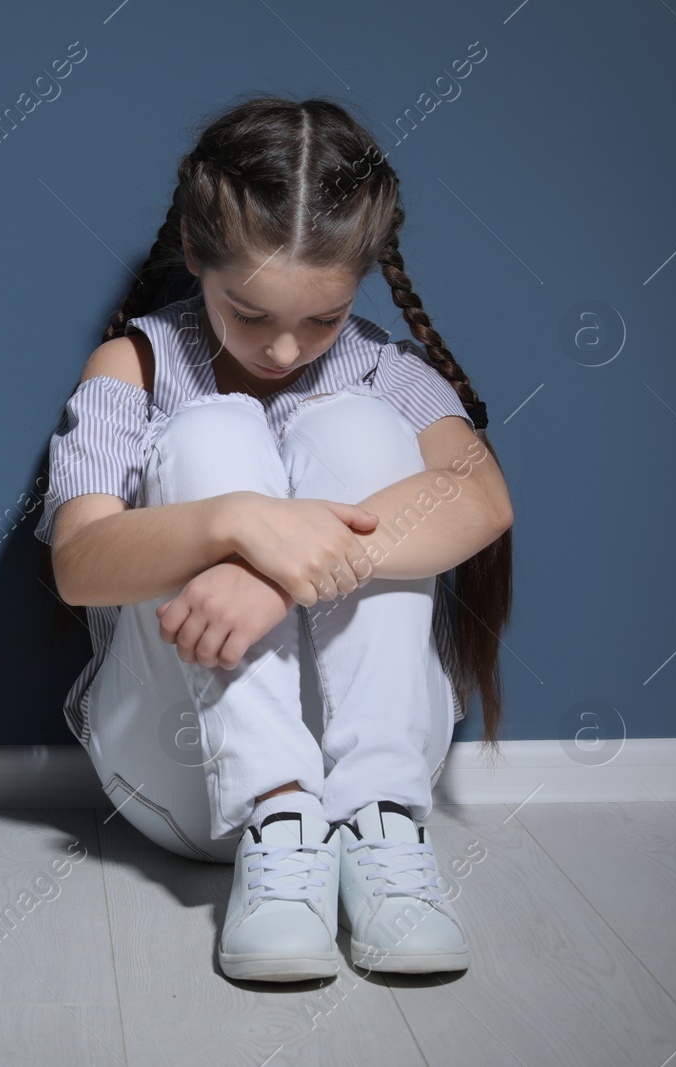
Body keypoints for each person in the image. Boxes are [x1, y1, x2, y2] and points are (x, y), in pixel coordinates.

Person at [33, 96, 515, 983]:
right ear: (194, 256)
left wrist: (280, 577)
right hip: (184, 775)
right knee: (211, 434)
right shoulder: (136, 363)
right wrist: (235, 525)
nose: (284, 349)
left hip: (369, 767)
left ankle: (379, 825)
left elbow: (482, 500)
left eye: (322, 318)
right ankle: (277, 813)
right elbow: (79, 562)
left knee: (359, 430)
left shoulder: (383, 368)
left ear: (359, 282)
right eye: (250, 313)